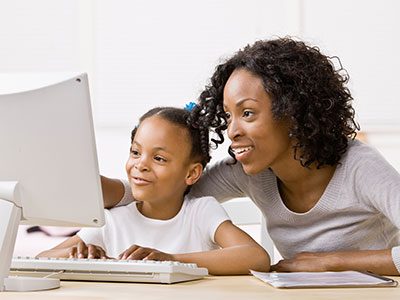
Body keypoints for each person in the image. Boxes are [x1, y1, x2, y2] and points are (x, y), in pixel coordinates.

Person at [103, 38, 400, 276]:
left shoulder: (360, 168)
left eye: (247, 113)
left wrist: (332, 262)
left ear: (294, 112)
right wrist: (94, 189)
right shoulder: (249, 172)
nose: (232, 131)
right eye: (229, 116)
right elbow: (171, 188)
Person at [37, 107, 270, 275]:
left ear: (191, 174)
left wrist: (171, 261)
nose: (141, 165)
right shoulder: (114, 220)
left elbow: (256, 257)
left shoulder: (200, 212)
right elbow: (41, 258)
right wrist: (78, 254)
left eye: (158, 158)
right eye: (135, 152)